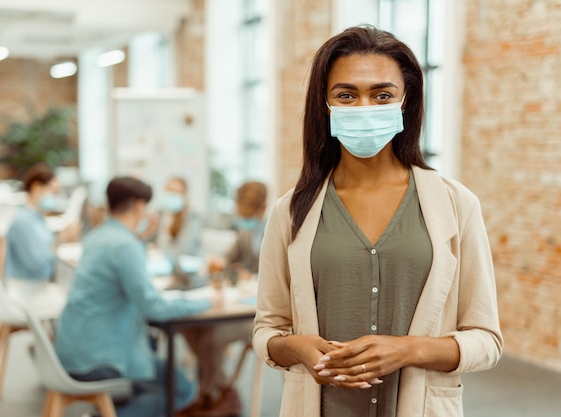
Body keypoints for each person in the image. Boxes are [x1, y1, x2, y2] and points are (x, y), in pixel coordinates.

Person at [252, 25, 503, 417]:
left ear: (405, 102)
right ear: (326, 104)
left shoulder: (456, 205)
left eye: (382, 94)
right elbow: (267, 329)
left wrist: (408, 349)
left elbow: (486, 340)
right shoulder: (290, 212)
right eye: (346, 95)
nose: (364, 107)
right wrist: (295, 347)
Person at [54, 176, 212, 417]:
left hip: (72, 350)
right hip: (99, 361)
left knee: (159, 375)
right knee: (179, 389)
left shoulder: (98, 236)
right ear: (139, 206)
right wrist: (207, 301)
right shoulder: (124, 246)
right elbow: (154, 308)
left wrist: (141, 239)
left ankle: (112, 408)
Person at [181, 181, 268, 417]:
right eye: (240, 213)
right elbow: (231, 259)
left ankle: (214, 394)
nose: (243, 220)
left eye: (248, 215)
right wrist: (221, 263)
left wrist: (253, 275)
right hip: (241, 304)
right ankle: (219, 391)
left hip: (263, 315)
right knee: (190, 328)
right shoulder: (245, 232)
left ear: (263, 209)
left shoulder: (278, 229)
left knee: (212, 336)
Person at [4, 163, 79, 282]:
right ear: (37, 187)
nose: (54, 198)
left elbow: (45, 244)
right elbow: (35, 263)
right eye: (53, 192)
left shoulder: (37, 217)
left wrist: (61, 237)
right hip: (28, 289)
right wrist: (58, 242)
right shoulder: (22, 222)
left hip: (37, 285)